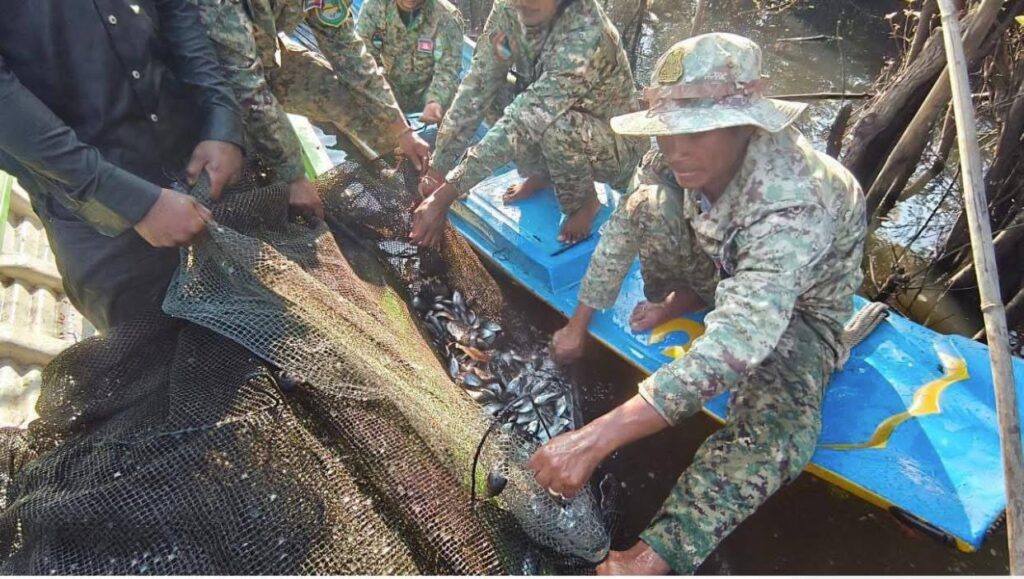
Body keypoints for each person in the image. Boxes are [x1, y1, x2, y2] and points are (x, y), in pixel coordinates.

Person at [531, 33, 867, 574]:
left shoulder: (794, 202)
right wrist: (578, 325)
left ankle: (653, 557)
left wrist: (596, 437)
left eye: (697, 131)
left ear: (745, 124)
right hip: (722, 269)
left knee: (779, 434)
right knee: (648, 203)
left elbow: (738, 342)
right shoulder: (677, 150)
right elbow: (622, 228)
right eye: (667, 132)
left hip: (796, 313)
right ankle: (684, 295)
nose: (676, 149)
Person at [0, 0, 245, 332]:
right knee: (153, 347)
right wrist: (134, 202)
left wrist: (220, 116)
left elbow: (175, 8)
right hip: (98, 214)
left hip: (195, 163)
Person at [409, 0, 648, 246]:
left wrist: (447, 194)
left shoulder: (585, 34)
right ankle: (542, 174)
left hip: (613, 141)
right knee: (512, 95)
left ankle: (585, 203)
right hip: (551, 111)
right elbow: (479, 85)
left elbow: (526, 120)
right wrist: (439, 167)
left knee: (552, 124)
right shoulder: (507, 7)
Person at [190, 0, 431, 216]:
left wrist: (402, 130)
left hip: (262, 58)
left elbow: (351, 57)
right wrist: (295, 176)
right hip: (204, 81)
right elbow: (247, 88)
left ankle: (402, 183)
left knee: (352, 102)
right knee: (234, 167)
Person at [356, 0, 465, 124]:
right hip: (389, 88)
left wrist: (436, 101)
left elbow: (448, 68)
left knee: (457, 100)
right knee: (357, 89)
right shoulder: (374, 6)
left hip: (427, 91)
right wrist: (379, 86)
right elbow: (364, 57)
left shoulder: (446, 16)